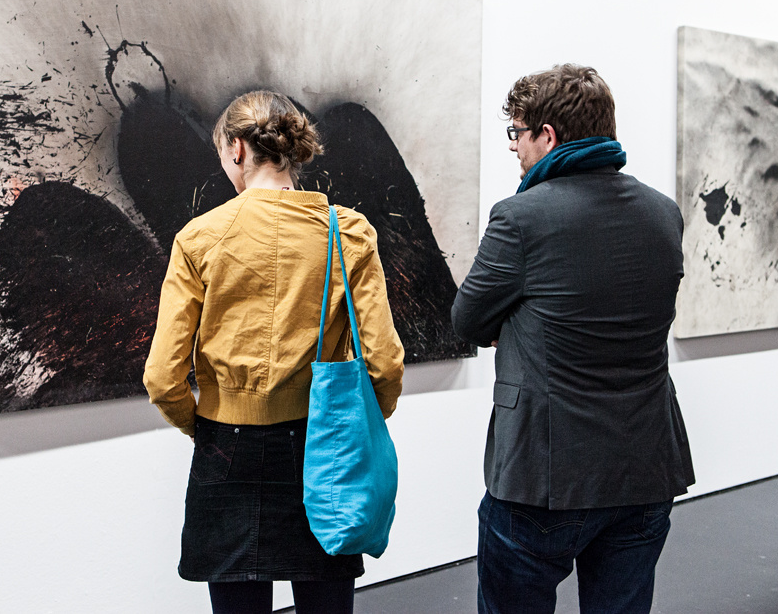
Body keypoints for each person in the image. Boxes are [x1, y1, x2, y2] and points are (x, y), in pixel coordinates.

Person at [143, 90, 405, 614]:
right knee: (326, 602)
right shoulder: (348, 234)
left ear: (237, 148)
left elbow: (162, 378)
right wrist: (353, 421)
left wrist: (209, 425)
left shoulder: (200, 238)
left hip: (225, 447)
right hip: (320, 445)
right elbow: (385, 363)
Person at [451, 65, 694, 614]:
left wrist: (515, 323)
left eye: (518, 133)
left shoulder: (520, 218)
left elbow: (467, 321)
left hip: (545, 473)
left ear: (548, 136)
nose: (514, 147)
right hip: (644, 464)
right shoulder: (664, 213)